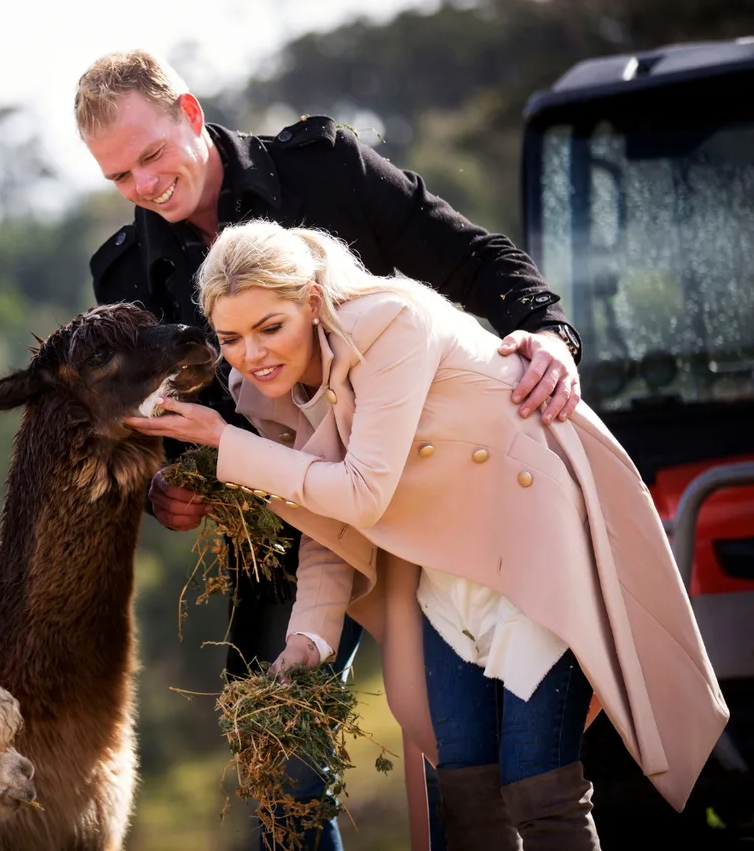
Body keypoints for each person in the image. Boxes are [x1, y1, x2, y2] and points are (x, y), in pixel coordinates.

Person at [76, 49, 584, 850]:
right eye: (119, 177)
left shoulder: (330, 170)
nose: (143, 186)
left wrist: (552, 335)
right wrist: (166, 487)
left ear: (192, 115)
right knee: (280, 760)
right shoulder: (125, 277)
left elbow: (473, 257)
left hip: (438, 485)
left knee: (468, 760)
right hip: (295, 524)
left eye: (152, 155)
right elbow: (166, 430)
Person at [124, 218, 729, 851]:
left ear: (310, 300)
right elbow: (328, 516)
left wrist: (227, 444)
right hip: (443, 576)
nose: (252, 355)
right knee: (466, 793)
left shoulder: (390, 323)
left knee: (539, 792)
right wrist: (310, 634)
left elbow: (360, 490)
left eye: (270, 328)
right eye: (231, 338)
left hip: (536, 551)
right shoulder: (258, 390)